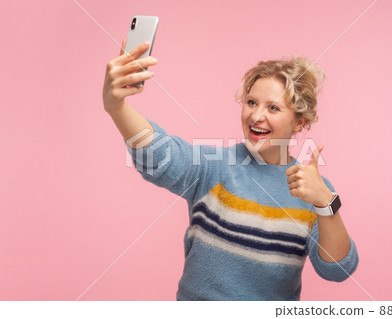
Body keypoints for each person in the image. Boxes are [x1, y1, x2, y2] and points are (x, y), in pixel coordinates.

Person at [102, 39, 359, 301]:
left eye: (273, 107)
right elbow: (159, 155)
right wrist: (116, 107)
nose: (256, 116)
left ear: (299, 120)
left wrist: (325, 202)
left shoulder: (313, 189)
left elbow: (337, 270)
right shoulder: (215, 164)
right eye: (251, 102)